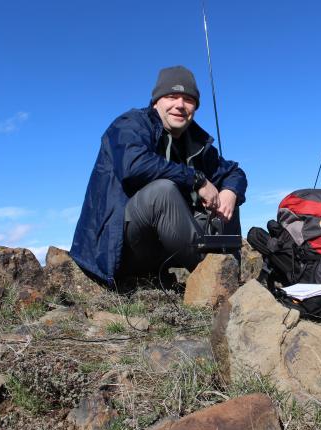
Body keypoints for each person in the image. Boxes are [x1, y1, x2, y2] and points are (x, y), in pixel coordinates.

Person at [70, 66, 247, 287]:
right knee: (162, 191)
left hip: (165, 243)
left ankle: (230, 275)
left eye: (188, 99)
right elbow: (134, 165)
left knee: (228, 200)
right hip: (121, 244)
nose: (180, 105)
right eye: (172, 96)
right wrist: (197, 180)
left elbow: (234, 172)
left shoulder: (197, 141)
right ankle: (216, 280)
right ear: (156, 102)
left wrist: (230, 192)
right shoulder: (129, 124)